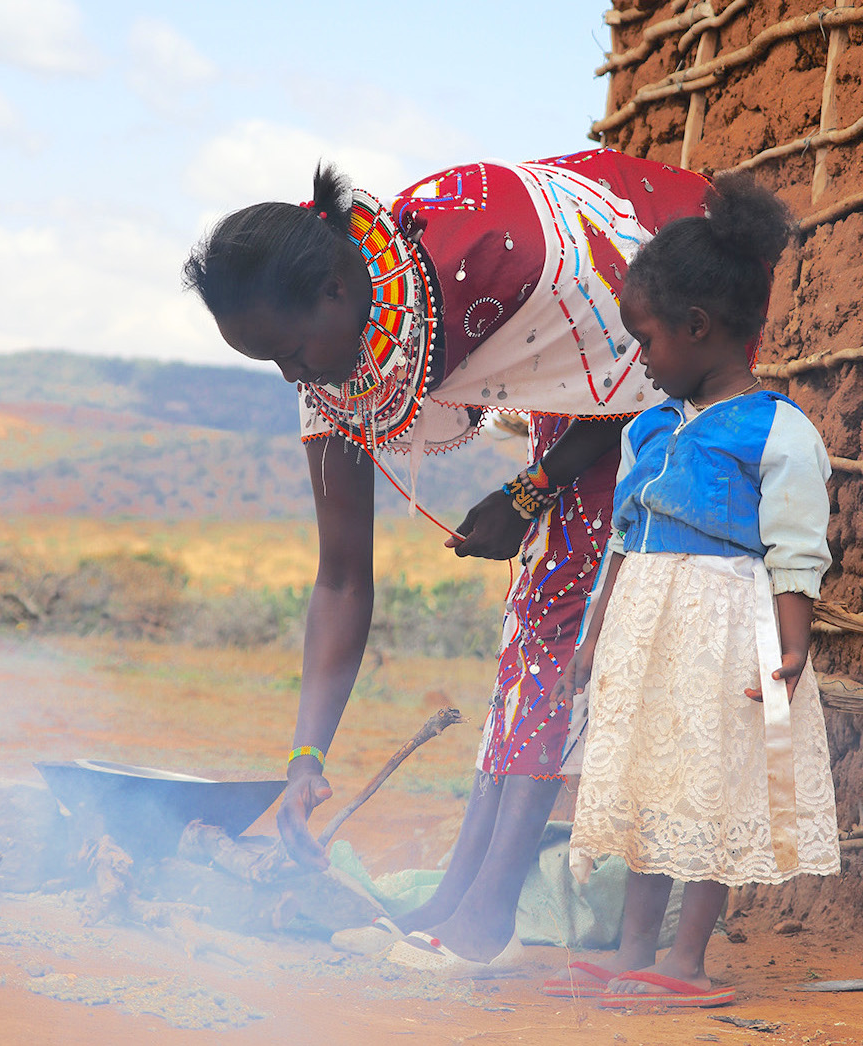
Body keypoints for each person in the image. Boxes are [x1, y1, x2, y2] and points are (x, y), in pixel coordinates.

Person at [182, 147, 712, 973]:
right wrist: (304, 761)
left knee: (563, 620)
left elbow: (652, 371)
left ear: (332, 292)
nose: (293, 375)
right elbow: (342, 576)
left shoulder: (513, 261)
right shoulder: (336, 362)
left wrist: (533, 490)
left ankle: (488, 916)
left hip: (662, 330)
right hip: (577, 378)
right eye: (271, 363)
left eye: (290, 351)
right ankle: (460, 895)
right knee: (533, 620)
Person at [547, 172, 840, 1007]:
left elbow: (795, 549)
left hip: (726, 635)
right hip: (650, 632)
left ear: (699, 328)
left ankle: (683, 961)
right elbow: (624, 545)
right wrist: (598, 639)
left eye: (646, 340)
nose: (641, 359)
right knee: (652, 780)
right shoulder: (649, 428)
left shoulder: (777, 430)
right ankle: (634, 947)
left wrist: (790, 649)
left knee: (710, 789)